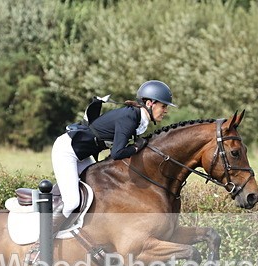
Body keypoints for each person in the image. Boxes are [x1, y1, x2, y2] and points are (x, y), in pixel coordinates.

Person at [50, 80, 177, 230]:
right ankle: (43, 241)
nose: (165, 110)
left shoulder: (136, 117)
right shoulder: (129, 118)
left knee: (97, 191)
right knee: (72, 201)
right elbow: (117, 153)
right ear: (150, 103)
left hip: (82, 155)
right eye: (163, 106)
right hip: (67, 151)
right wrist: (136, 147)